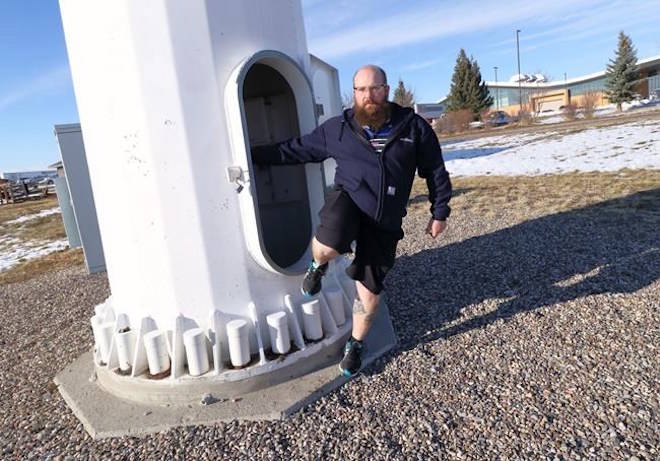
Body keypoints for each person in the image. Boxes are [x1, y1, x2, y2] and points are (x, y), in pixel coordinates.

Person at [251, 64, 451, 377]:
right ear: (354, 93)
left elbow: (435, 171)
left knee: (369, 294)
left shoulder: (413, 128)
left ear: (385, 90)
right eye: (360, 89)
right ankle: (318, 266)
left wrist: (439, 211)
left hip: (384, 220)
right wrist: (252, 155)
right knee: (328, 244)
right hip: (348, 202)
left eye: (374, 88)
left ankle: (355, 344)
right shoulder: (339, 128)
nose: (367, 96)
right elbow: (298, 149)